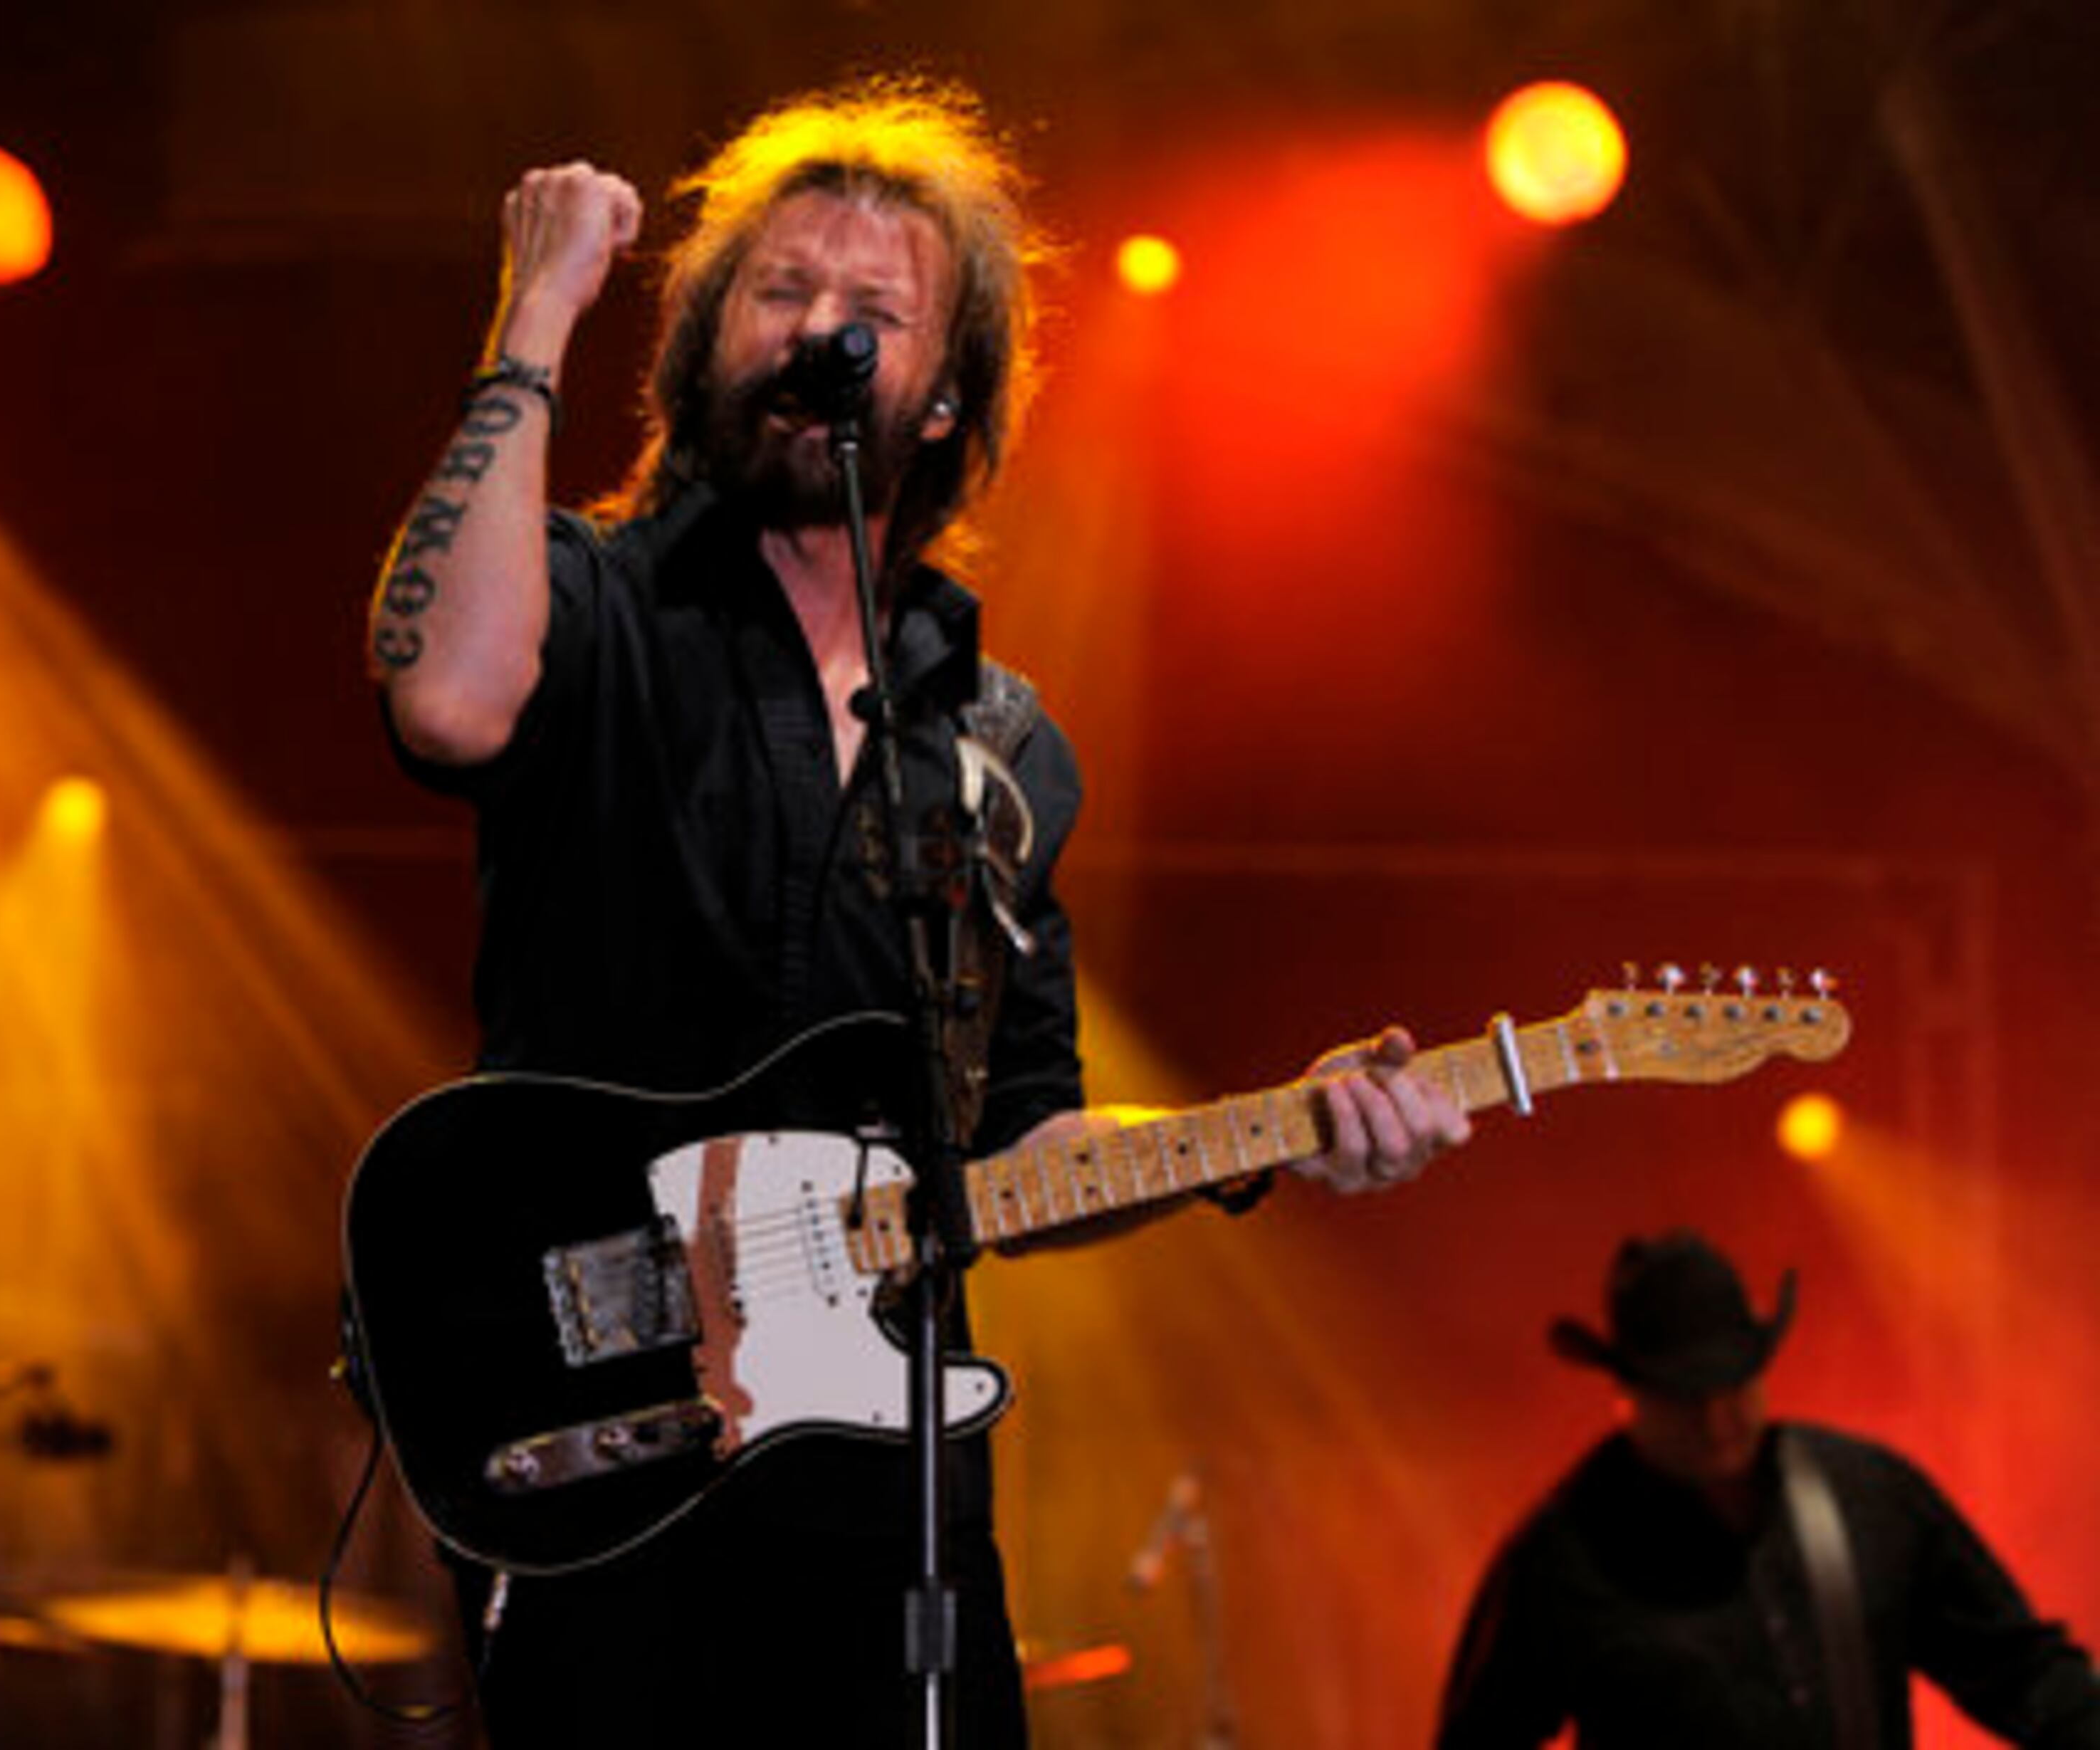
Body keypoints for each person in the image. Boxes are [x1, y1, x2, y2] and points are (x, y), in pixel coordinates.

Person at [365, 77, 1470, 1746]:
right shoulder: (594, 599)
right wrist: (535, 317)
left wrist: (1270, 1130)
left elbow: (1021, 1140)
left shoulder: (1001, 749)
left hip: (884, 1490)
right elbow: (444, 700)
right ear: (705, 343)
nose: (817, 331)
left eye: (869, 310)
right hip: (604, 1441)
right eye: (777, 291)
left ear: (946, 401)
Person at [1438, 1229, 2100, 1749]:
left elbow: (2022, 1671)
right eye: (1686, 1398)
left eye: (1734, 1385)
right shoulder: (1560, 1560)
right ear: (1626, 1396)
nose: (1717, 1420)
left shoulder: (1868, 1496)